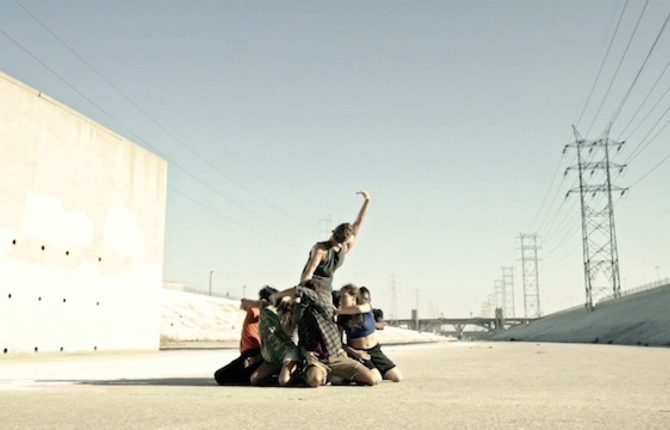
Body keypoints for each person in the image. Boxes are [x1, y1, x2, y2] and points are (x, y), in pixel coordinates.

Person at [269, 279, 378, 388]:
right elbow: (301, 342)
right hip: (318, 361)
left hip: (337, 357)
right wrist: (306, 353)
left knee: (371, 379)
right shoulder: (301, 314)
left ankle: (335, 376)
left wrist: (277, 295)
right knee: (314, 380)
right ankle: (319, 375)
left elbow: (300, 290)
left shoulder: (324, 304)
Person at [300, 191, 371, 293]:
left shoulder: (321, 249)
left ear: (333, 231)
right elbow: (359, 222)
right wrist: (367, 201)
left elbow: (309, 272)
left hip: (311, 289)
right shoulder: (345, 248)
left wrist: (301, 293)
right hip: (327, 291)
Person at [336, 284, 402, 383]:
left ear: (354, 297)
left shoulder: (366, 307)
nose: (341, 300)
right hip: (358, 352)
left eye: (344, 297)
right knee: (376, 379)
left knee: (397, 377)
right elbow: (340, 343)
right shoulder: (342, 318)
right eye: (340, 297)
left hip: (374, 350)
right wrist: (355, 353)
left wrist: (336, 311)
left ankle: (371, 371)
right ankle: (355, 375)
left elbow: (358, 309)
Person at [214, 286, 277, 385]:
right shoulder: (262, 311)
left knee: (220, 376)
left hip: (253, 352)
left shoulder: (255, 309)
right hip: (256, 352)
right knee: (223, 375)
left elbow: (243, 303)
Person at [239, 296, 302, 386]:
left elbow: (252, 302)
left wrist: (244, 300)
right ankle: (279, 375)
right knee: (255, 379)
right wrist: (254, 359)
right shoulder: (265, 324)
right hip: (274, 357)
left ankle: (298, 376)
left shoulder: (269, 310)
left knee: (284, 381)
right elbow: (270, 347)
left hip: (288, 354)